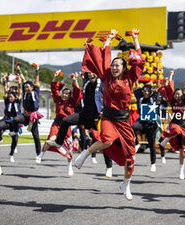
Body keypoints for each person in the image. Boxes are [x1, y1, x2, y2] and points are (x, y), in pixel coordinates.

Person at [73, 28, 145, 201]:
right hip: (108, 117)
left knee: (131, 158)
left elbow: (138, 60)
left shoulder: (130, 78)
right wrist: (109, 40)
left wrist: (135, 39)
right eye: (112, 65)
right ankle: (85, 153)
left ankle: (125, 185)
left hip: (123, 120)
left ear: (124, 68)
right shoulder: (106, 76)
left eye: (117, 65)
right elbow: (102, 57)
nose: (113, 67)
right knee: (106, 139)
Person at [47, 71, 103, 165]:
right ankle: (58, 143)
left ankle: (107, 165)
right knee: (66, 121)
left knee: (101, 139)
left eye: (92, 73)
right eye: (88, 73)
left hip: (97, 116)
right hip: (82, 115)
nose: (90, 75)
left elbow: (77, 90)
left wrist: (75, 81)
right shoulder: (86, 84)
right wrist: (58, 77)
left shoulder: (101, 84)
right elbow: (54, 89)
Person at [36, 71, 82, 176]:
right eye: (63, 93)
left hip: (67, 126)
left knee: (69, 149)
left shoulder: (73, 102)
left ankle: (69, 166)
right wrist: (55, 77)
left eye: (67, 94)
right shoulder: (58, 99)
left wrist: (75, 80)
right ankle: (41, 154)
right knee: (50, 139)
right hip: (57, 123)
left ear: (70, 95)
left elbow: (77, 92)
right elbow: (54, 88)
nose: (65, 95)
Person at [157, 69, 185, 180]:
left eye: (179, 94)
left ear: (182, 94)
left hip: (184, 125)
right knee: (175, 131)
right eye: (175, 94)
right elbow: (169, 89)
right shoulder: (173, 101)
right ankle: (165, 140)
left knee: (183, 151)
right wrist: (170, 76)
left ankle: (181, 170)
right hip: (175, 123)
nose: (177, 95)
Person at [12, 63, 43, 160]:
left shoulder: (35, 91)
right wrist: (18, 69)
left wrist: (37, 70)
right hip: (25, 115)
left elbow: (36, 81)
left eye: (27, 87)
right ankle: (14, 134)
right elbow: (23, 78)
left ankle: (39, 154)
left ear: (32, 87)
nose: (26, 88)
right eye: (25, 87)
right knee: (15, 119)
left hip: (33, 117)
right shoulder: (25, 92)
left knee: (35, 136)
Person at [132, 83, 160, 172]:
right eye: (144, 91)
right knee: (133, 127)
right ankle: (137, 143)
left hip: (151, 125)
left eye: (148, 91)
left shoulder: (154, 98)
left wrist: (158, 75)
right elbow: (135, 84)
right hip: (142, 122)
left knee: (152, 145)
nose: (146, 93)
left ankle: (153, 164)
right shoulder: (140, 97)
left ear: (151, 92)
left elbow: (158, 88)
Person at [0, 74, 22, 162]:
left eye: (12, 96)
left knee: (14, 139)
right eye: (10, 96)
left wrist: (19, 83)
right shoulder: (7, 100)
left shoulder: (18, 100)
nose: (10, 97)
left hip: (14, 121)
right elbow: (6, 91)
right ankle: (0, 138)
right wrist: (5, 81)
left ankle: (11, 154)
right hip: (6, 119)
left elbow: (19, 92)